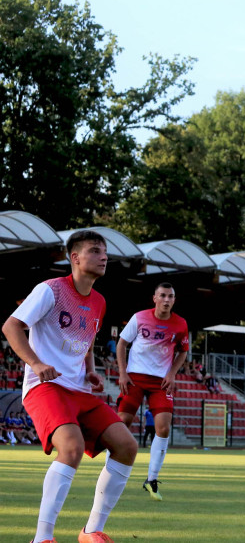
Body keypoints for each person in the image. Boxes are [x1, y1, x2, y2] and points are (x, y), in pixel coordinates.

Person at [1, 229, 138, 543]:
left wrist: (89, 370)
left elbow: (85, 341)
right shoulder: (50, 290)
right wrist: (35, 364)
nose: (103, 256)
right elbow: (11, 326)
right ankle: (42, 537)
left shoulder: (100, 302)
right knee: (72, 448)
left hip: (80, 390)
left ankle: (91, 531)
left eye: (104, 251)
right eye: (94, 250)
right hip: (45, 387)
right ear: (75, 258)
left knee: (127, 446)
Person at [115, 282, 190, 502]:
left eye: (171, 296)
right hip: (135, 377)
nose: (167, 300)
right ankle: (112, 468)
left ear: (174, 300)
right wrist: (122, 373)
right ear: (154, 298)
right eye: (163, 295)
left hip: (160, 382)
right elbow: (121, 344)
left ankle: (151, 479)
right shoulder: (139, 317)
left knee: (164, 427)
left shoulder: (180, 324)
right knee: (122, 421)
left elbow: (183, 352)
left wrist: (172, 373)